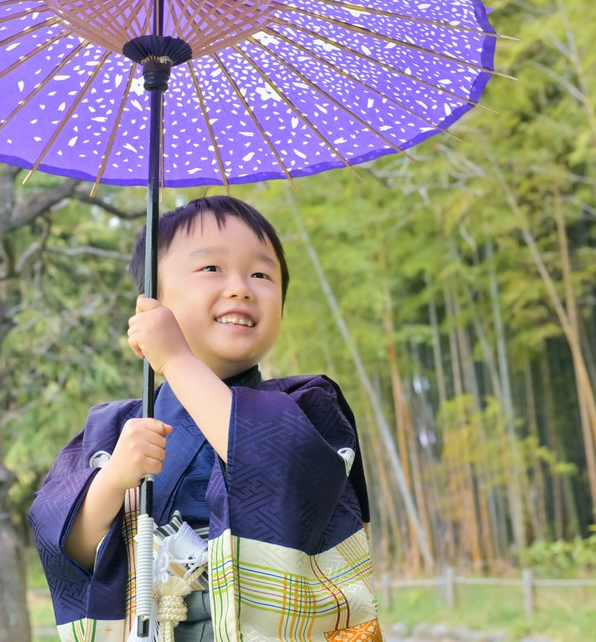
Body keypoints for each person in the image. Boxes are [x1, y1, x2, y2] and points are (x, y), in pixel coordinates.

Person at [29, 196, 381, 642]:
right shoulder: (115, 429)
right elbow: (71, 548)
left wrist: (175, 358)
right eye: (212, 269)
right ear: (150, 304)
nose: (241, 287)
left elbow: (286, 476)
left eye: (261, 274)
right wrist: (115, 478)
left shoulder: (308, 405)